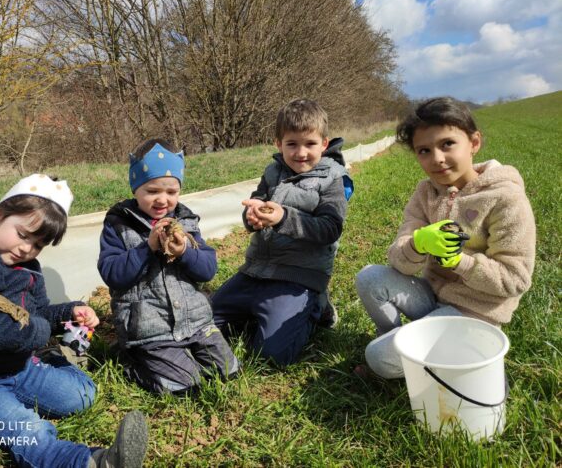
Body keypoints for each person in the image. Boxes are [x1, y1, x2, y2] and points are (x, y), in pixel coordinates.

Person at [0, 174, 148, 468]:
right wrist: (39, 331)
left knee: (81, 394)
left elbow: (40, 312)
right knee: (25, 428)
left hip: (19, 368)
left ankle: (55, 358)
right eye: (22, 234)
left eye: (38, 244)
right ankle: (95, 461)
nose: (26, 248)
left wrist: (70, 312)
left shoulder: (28, 268)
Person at [355, 96, 536, 379]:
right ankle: (403, 342)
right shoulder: (425, 193)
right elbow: (400, 263)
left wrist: (458, 261)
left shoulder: (505, 197)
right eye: (424, 150)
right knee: (369, 277)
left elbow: (515, 279)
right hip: (432, 296)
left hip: (475, 315)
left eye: (447, 144)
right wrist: (418, 243)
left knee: (377, 358)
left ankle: (419, 356)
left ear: (474, 143)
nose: (436, 159)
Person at [210, 98, 353, 366]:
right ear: (278, 144)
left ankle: (316, 308)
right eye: (292, 144)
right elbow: (256, 204)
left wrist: (283, 217)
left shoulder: (333, 179)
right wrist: (252, 216)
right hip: (255, 271)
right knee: (202, 324)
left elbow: (330, 229)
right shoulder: (273, 171)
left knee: (271, 356)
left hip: (298, 278)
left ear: (324, 143)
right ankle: (260, 312)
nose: (301, 152)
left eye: (310, 144)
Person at [98, 139, 239, 395]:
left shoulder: (186, 222)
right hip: (149, 325)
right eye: (152, 191)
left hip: (194, 321)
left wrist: (185, 251)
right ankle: (133, 359)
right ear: (135, 188)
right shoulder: (119, 225)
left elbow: (207, 270)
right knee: (185, 385)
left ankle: (178, 355)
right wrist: (147, 248)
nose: (162, 200)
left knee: (228, 370)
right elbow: (112, 274)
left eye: (172, 192)